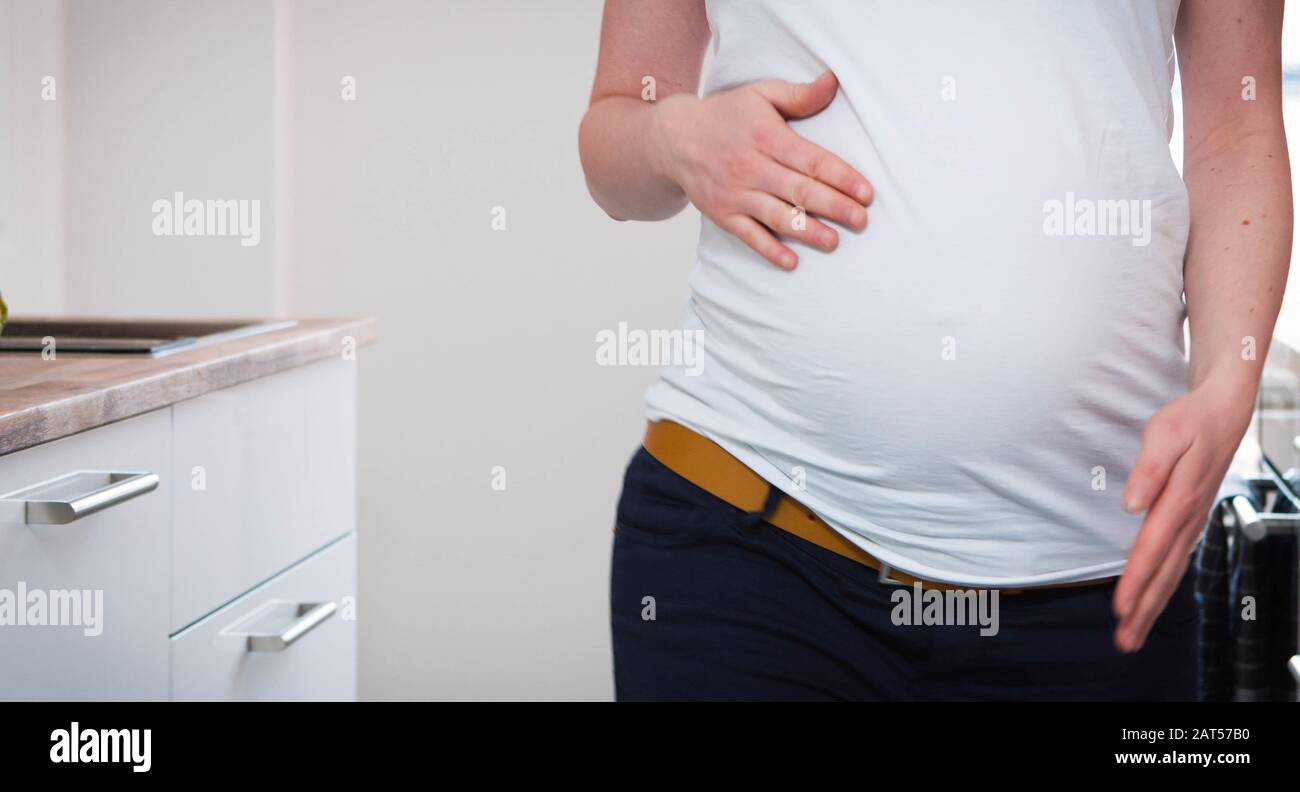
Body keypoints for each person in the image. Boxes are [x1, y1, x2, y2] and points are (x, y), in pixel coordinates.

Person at [579, 0, 1292, 700]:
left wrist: (1229, 383)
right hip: (752, 551)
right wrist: (674, 137)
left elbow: (1235, 128)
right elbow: (613, 138)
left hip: (1100, 586)